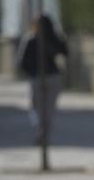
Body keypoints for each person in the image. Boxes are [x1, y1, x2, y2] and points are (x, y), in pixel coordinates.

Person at [18, 13, 68, 144]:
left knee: (36, 108)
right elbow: (65, 52)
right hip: (53, 77)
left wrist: (32, 73)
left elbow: (22, 63)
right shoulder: (54, 39)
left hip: (38, 78)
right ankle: (44, 134)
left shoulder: (31, 40)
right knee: (49, 110)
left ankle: (41, 131)